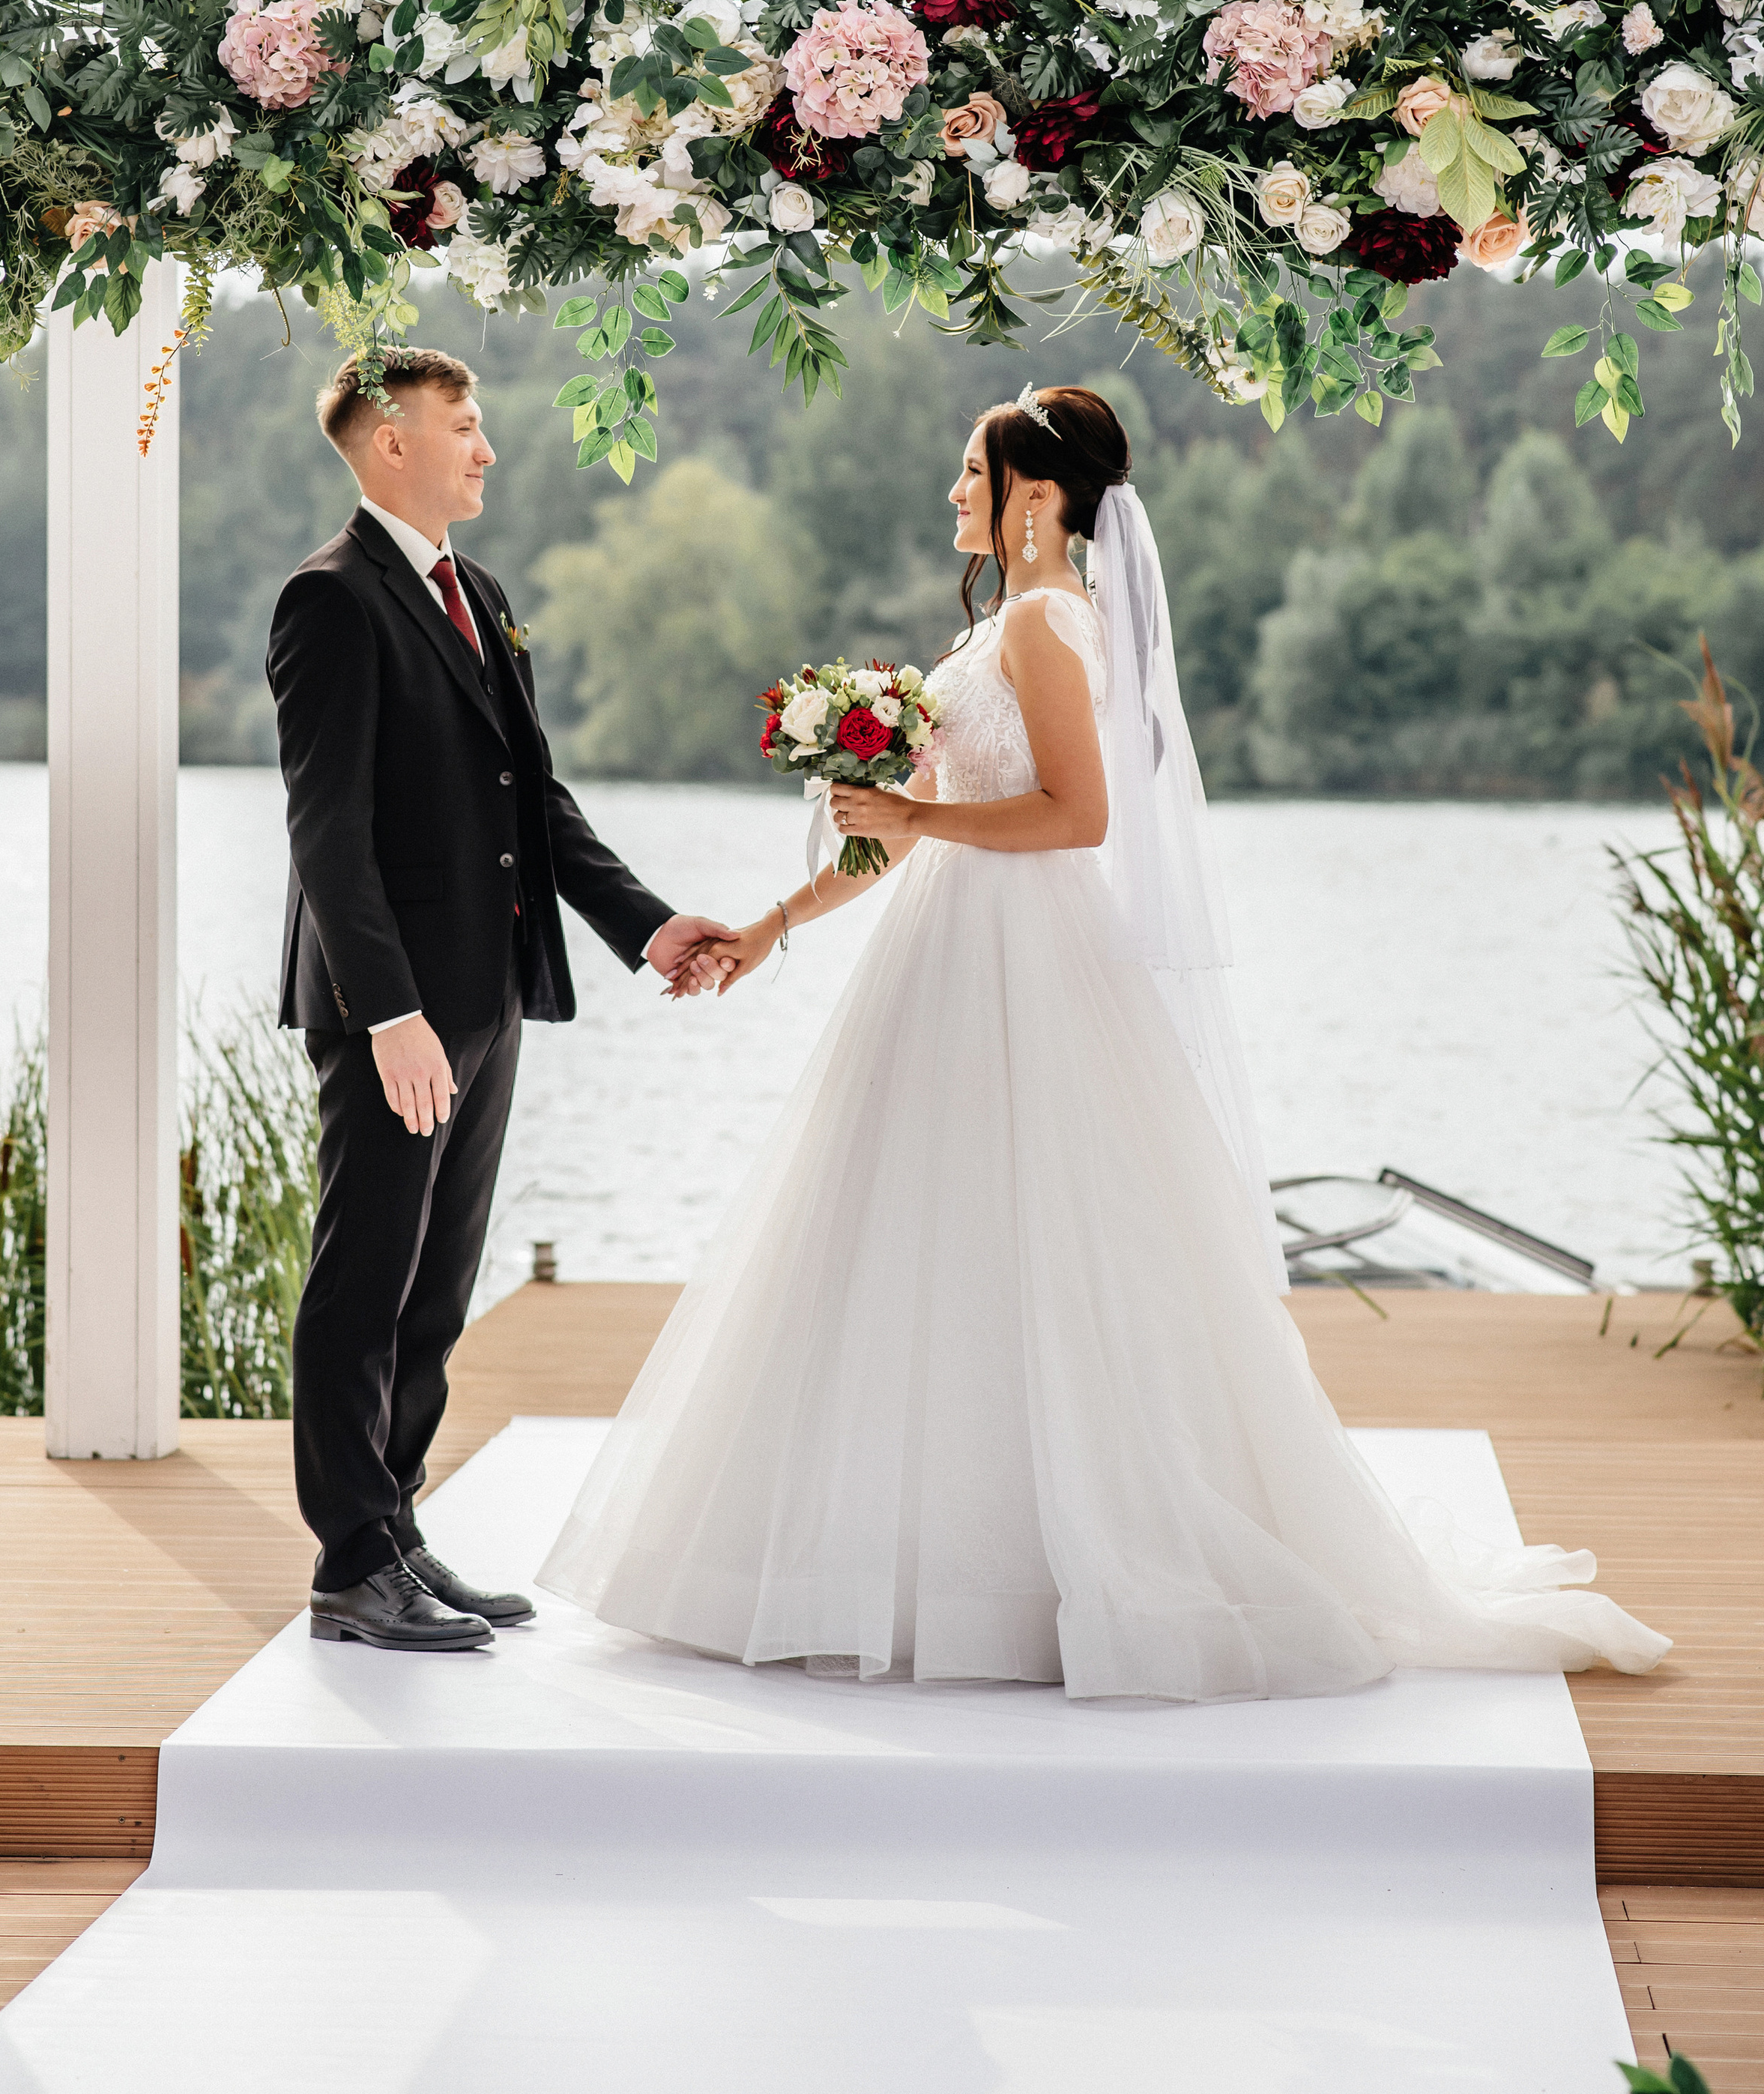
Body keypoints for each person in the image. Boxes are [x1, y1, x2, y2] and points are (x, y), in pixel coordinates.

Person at [539, 384, 1669, 1699]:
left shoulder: (1042, 621)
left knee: (1048, 1248)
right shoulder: (1010, 624)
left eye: (972, 469)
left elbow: (1074, 818)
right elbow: (922, 819)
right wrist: (778, 918)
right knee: (921, 1243)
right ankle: (912, 1554)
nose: (953, 489)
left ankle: (1043, 1569)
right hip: (948, 957)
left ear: (1033, 496)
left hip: (1031, 966)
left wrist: (920, 824)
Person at [268, 348, 734, 1656]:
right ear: (386, 442)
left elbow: (538, 802)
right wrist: (389, 1011)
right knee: (363, 1278)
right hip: (397, 1010)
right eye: (464, 427)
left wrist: (649, 928)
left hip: (486, 994)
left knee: (435, 1285)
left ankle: (397, 1529)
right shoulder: (328, 600)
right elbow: (328, 834)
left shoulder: (476, 591)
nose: (485, 449)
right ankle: (351, 1560)